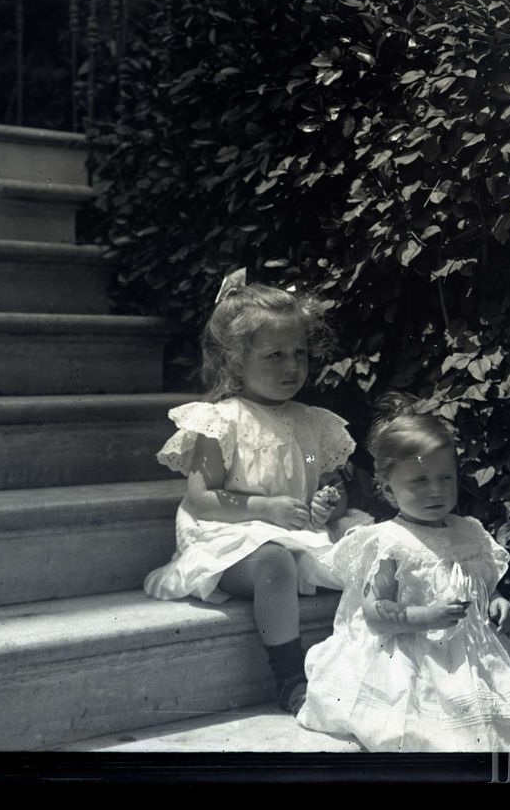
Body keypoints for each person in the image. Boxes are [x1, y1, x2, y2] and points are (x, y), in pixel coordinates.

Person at [298, 395, 510, 751]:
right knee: (429, 724)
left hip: (468, 650)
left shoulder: (470, 532)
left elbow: (479, 582)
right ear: (388, 489)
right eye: (419, 481)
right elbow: (376, 614)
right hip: (412, 652)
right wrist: (427, 616)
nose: (436, 490)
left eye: (445, 477)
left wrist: (496, 601)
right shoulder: (389, 542)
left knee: (494, 713)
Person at [143, 271, 370, 713]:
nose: (292, 367)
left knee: (372, 546)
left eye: (300, 353)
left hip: (297, 534)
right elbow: (201, 499)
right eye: (275, 355)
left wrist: (327, 503)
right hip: (230, 540)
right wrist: (264, 508)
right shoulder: (220, 422)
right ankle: (288, 674)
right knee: (274, 562)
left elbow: (320, 480)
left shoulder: (310, 422)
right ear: (235, 361)